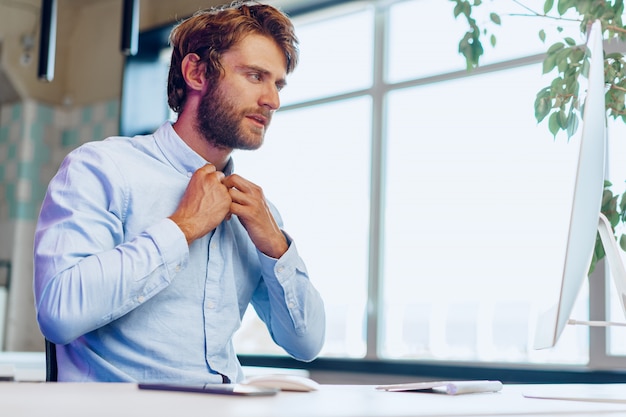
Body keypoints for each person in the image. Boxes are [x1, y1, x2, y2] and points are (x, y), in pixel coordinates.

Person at [33, 1, 325, 383]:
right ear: (197, 72)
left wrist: (275, 246)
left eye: (278, 83)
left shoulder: (257, 213)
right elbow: (58, 312)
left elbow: (306, 344)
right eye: (256, 76)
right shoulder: (101, 168)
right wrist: (181, 227)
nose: (273, 100)